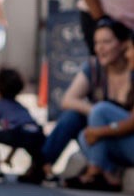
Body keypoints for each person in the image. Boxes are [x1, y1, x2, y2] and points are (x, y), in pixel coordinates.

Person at [39, 18, 134, 184]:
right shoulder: (94, 67)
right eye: (97, 43)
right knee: (80, 126)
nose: (100, 48)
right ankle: (42, 162)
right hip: (117, 135)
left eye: (107, 42)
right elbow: (67, 100)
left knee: (99, 113)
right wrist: (96, 119)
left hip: (126, 134)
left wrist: (99, 128)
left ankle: (95, 172)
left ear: (124, 44)